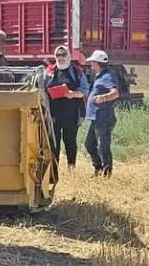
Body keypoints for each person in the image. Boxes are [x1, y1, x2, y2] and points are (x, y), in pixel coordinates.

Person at [43, 45, 88, 172]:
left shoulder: (77, 72)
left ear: (68, 56)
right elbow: (42, 90)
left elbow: (84, 91)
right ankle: (53, 171)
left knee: (70, 142)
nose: (61, 58)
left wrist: (72, 94)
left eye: (63, 55)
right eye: (58, 55)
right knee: (54, 144)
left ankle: (71, 169)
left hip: (72, 114)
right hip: (54, 115)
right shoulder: (49, 71)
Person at [83, 49, 120, 177]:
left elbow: (115, 93)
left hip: (104, 117)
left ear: (97, 63)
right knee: (89, 144)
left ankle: (106, 173)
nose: (91, 64)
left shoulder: (107, 76)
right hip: (96, 117)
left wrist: (103, 98)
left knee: (103, 147)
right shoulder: (101, 75)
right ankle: (98, 168)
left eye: (92, 62)